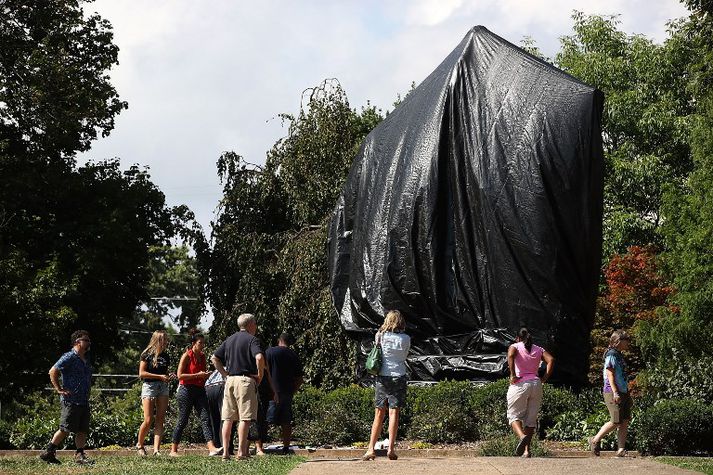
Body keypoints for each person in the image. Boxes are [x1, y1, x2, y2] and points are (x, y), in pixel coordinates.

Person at [211, 313, 265, 461]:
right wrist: (260, 376)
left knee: (227, 418)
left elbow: (214, 358)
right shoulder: (252, 340)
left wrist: (224, 374)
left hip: (230, 380)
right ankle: (241, 452)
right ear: (250, 325)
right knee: (245, 418)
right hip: (245, 381)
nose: (256, 327)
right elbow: (259, 357)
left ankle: (225, 453)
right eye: (255, 324)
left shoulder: (229, 340)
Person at [39, 330, 94, 465]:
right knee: (65, 429)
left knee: (82, 430)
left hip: (83, 400)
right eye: (85, 340)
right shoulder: (69, 356)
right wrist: (59, 389)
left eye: (88, 340)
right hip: (71, 400)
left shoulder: (85, 360)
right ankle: (49, 452)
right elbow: (53, 371)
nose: (88, 342)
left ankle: (80, 455)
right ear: (77, 342)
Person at [362, 310, 410, 461]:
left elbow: (378, 353)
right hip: (399, 376)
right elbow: (405, 356)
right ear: (401, 322)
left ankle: (371, 449)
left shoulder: (380, 336)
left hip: (382, 376)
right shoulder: (406, 338)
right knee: (394, 413)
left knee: (379, 412)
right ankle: (391, 449)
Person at [170, 329, 220, 456]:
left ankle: (211, 448)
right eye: (200, 343)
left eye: (203, 343)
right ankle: (173, 450)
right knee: (183, 419)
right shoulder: (187, 355)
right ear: (193, 343)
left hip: (199, 390)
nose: (202, 345)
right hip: (186, 390)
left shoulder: (202, 356)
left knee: (205, 418)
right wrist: (197, 375)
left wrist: (206, 375)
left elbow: (201, 375)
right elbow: (179, 375)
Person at [506, 327, 555, 457]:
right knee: (530, 420)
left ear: (517, 338)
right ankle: (527, 451)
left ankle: (522, 436)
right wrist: (544, 377)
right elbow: (551, 360)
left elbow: (510, 355)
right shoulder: (539, 349)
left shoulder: (515, 346)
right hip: (536, 384)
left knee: (513, 415)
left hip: (520, 384)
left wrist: (512, 374)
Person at [589, 330, 633, 457]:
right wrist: (615, 392)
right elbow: (610, 374)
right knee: (616, 421)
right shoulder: (611, 354)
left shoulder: (619, 355)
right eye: (626, 340)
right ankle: (594, 440)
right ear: (619, 341)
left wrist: (626, 392)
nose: (628, 342)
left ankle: (621, 449)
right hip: (612, 391)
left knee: (624, 421)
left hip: (623, 391)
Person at [136, 329, 174, 456]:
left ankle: (156, 450)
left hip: (163, 386)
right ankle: (140, 445)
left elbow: (164, 372)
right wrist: (159, 377)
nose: (166, 341)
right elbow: (141, 374)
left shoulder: (166, 356)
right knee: (148, 419)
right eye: (163, 339)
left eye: (166, 339)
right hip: (149, 386)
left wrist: (169, 375)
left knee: (160, 419)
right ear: (157, 340)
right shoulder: (146, 354)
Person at [265, 332, 304, 454]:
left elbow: (263, 370)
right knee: (286, 421)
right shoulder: (293, 355)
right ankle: (286, 447)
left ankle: (259, 446)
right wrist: (293, 390)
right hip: (287, 392)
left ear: (279, 340)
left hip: (271, 392)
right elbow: (299, 378)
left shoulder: (269, 352)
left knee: (265, 420)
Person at [205, 369, 236, 455]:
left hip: (209, 385)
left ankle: (217, 446)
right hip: (223, 383)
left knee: (214, 419)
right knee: (229, 417)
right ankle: (227, 448)